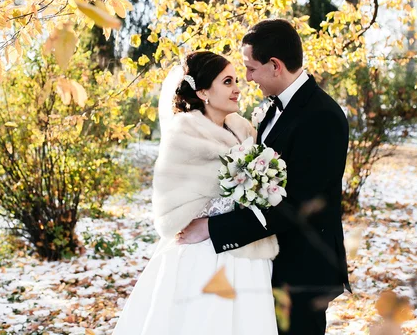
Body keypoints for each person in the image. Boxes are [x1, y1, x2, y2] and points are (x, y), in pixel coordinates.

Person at [178, 19, 351, 335]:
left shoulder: (321, 117)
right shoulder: (273, 110)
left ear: (275, 66)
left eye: (250, 68)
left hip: (302, 272)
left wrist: (212, 228)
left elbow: (298, 205)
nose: (246, 77)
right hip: (268, 263)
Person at [112, 51, 279, 335]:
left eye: (236, 80)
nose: (238, 88)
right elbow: (175, 203)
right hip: (202, 257)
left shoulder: (246, 133)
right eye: (227, 82)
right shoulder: (185, 137)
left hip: (248, 255)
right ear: (203, 92)